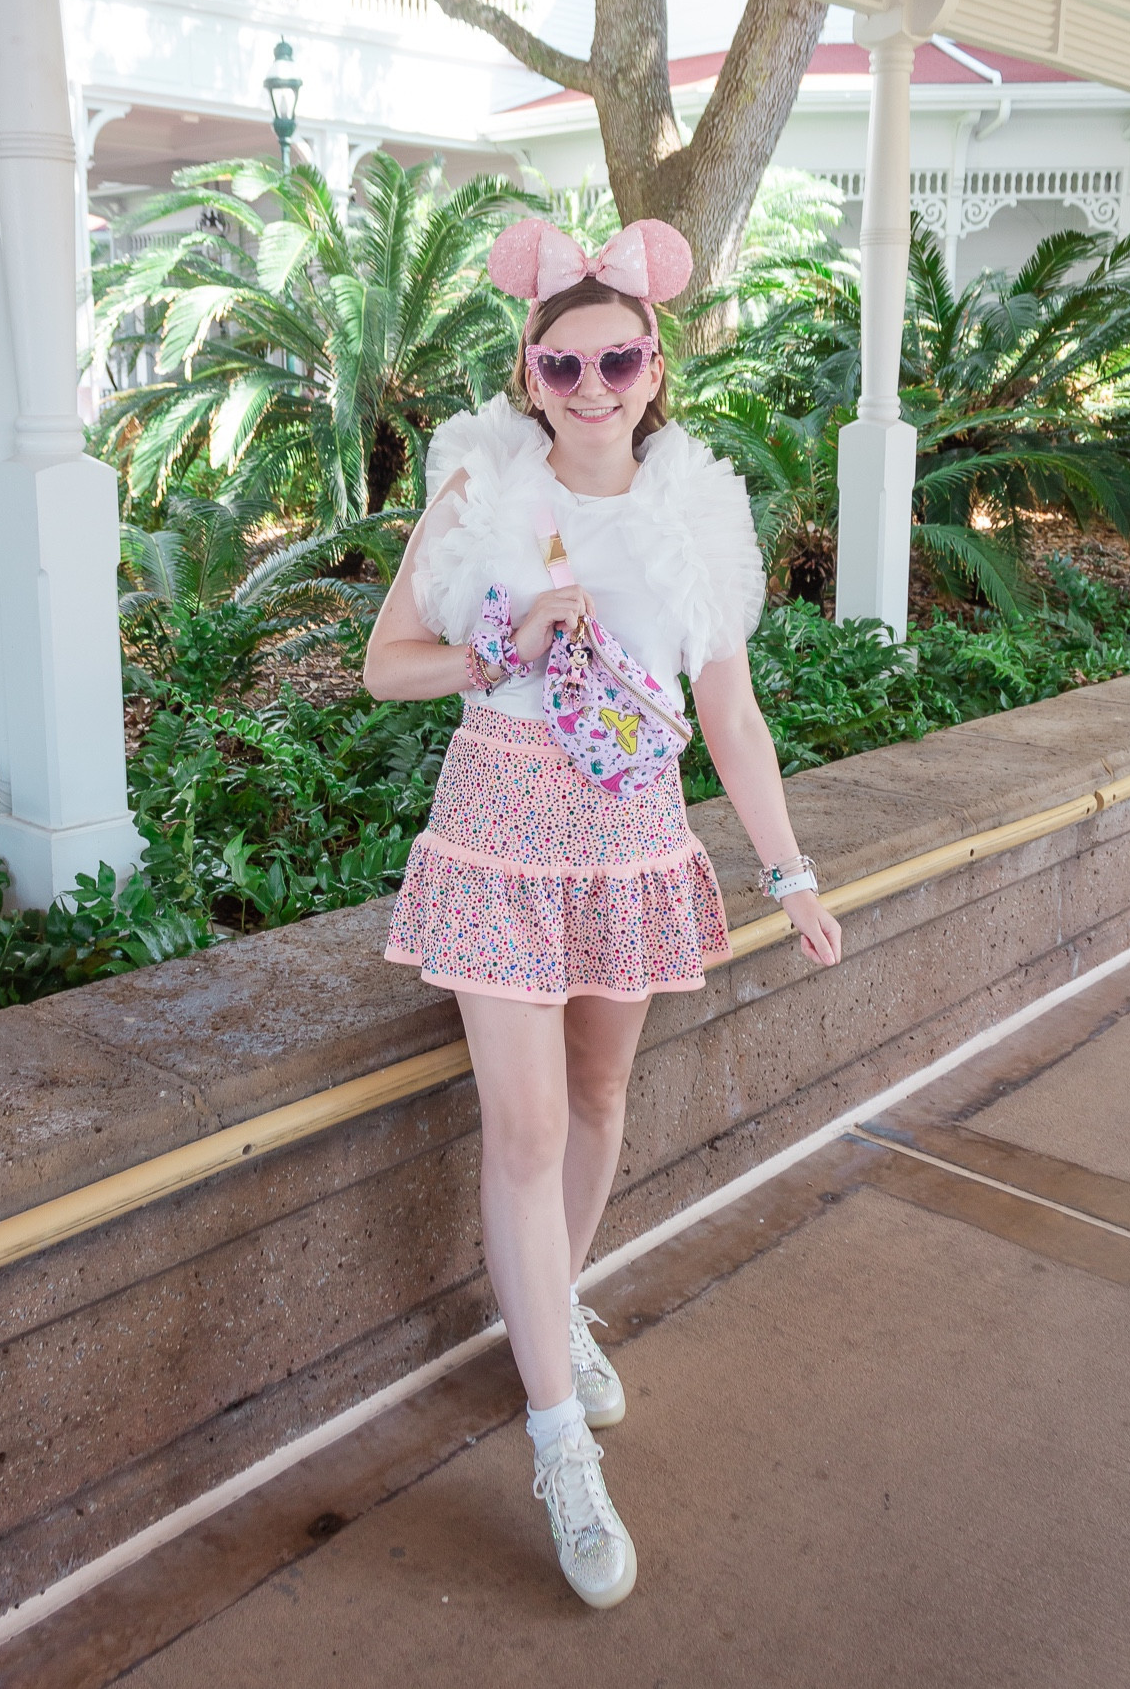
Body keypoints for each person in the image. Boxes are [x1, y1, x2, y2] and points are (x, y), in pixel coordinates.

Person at [363, 217, 842, 1611]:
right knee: (518, 1128)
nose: (587, 384)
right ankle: (558, 1443)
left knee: (597, 1094)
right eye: (560, 362)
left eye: (614, 358)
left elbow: (732, 712)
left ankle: (554, 1305)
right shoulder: (474, 489)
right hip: (500, 830)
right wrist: (493, 644)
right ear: (526, 368)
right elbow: (385, 664)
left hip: (629, 832)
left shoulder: (698, 513)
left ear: (652, 365)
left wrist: (789, 871)